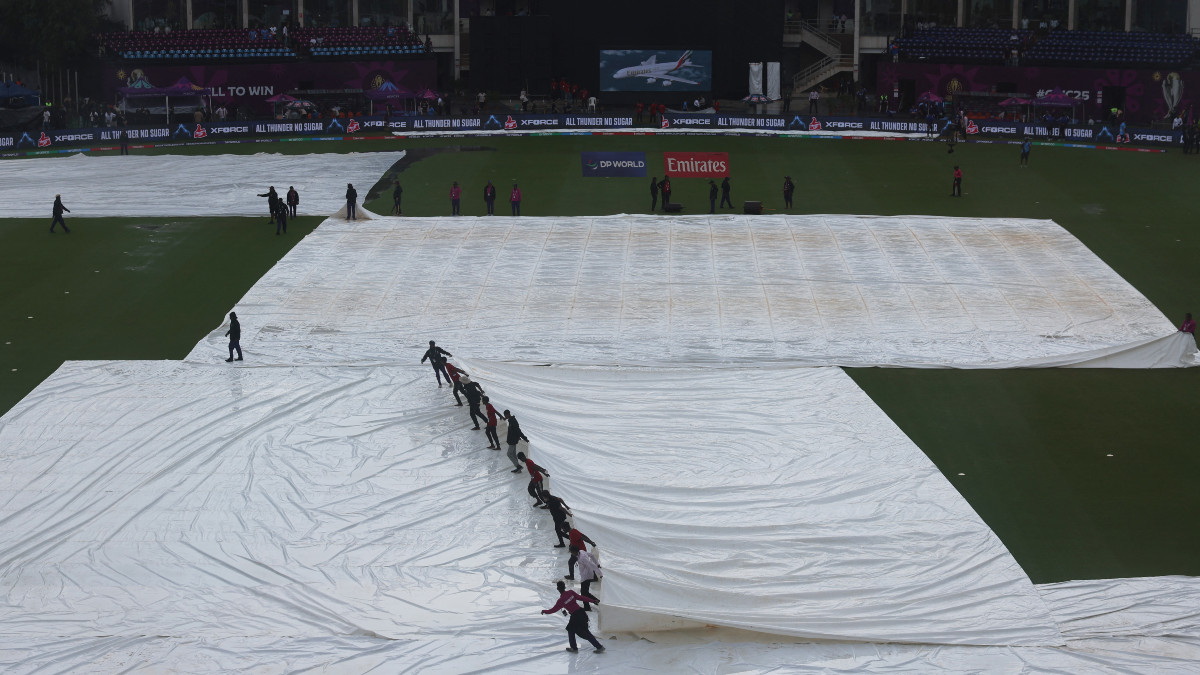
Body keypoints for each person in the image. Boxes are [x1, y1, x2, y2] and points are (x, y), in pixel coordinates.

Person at [540, 580, 605, 653]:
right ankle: (596, 647)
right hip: (581, 613)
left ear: (558, 589)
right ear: (565, 587)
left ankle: (577, 648)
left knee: (578, 631)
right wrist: (593, 600)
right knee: (576, 630)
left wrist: (544, 611)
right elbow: (582, 598)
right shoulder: (571, 592)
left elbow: (553, 610)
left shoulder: (561, 600)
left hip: (575, 616)